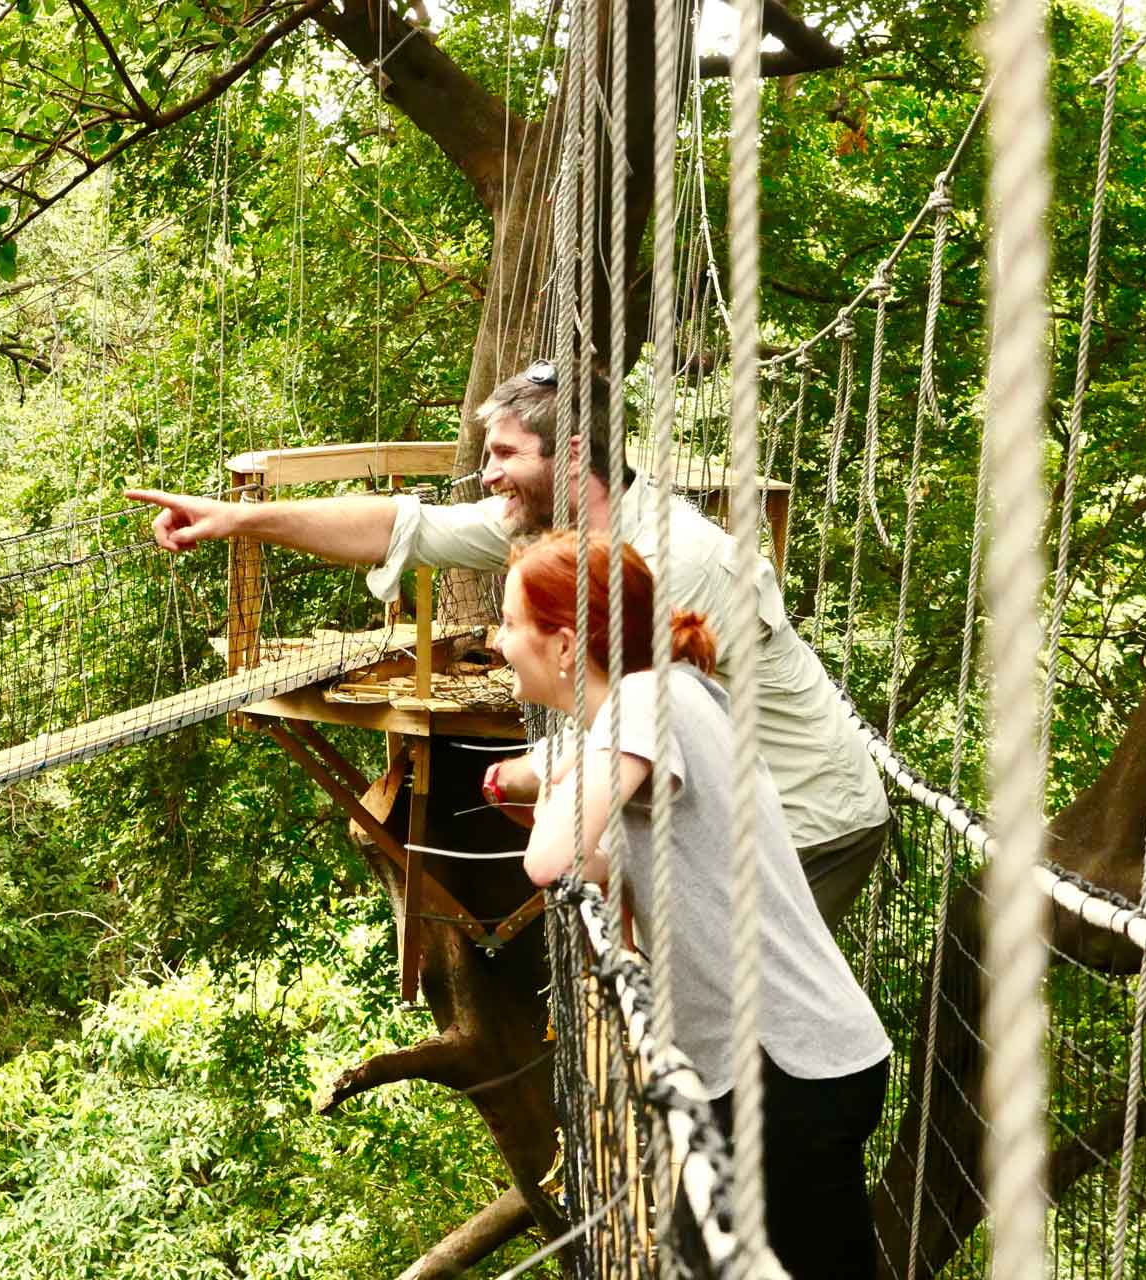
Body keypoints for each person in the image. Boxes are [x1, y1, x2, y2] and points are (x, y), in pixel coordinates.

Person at [126, 360, 891, 930]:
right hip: (727, 798)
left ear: (573, 454)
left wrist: (523, 775)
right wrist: (236, 519)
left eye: (503, 454)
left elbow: (653, 722)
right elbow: (401, 528)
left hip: (805, 819)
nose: (486, 474)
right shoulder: (563, 531)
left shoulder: (667, 559)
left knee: (718, 1033)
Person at [501, 531, 890, 1280]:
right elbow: (598, 861)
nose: (498, 641)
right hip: (775, 1068)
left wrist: (549, 782)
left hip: (786, 1072)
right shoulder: (664, 693)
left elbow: (549, 859)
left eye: (512, 623)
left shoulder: (645, 701)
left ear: (563, 642)